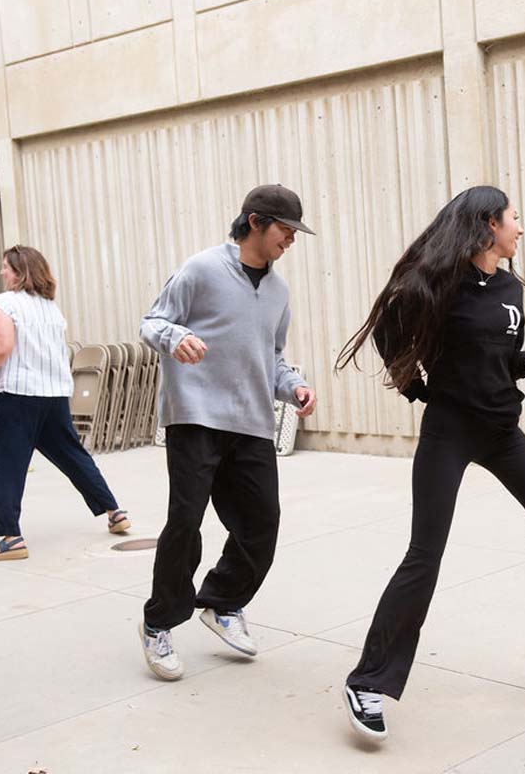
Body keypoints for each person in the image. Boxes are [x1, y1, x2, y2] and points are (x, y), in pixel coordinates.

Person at [334, 185, 525, 742]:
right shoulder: (438, 284)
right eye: (514, 218)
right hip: (450, 432)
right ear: (488, 224)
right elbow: (389, 335)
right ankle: (368, 681)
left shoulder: (511, 288)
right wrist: (420, 392)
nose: (520, 228)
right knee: (424, 556)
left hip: (503, 432)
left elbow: (499, 353)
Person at [137, 184, 317, 681]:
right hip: (195, 416)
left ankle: (222, 603)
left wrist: (295, 387)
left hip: (253, 422)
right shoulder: (201, 269)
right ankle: (159, 624)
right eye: (286, 230)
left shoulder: (279, 292)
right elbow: (152, 322)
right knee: (186, 524)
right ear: (256, 222)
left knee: (262, 524)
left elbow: (273, 358)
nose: (291, 241)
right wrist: (177, 337)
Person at [0, 245, 130, 562]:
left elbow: (1, 348)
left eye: (6, 268)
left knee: (5, 465)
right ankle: (114, 511)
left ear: (20, 271)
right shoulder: (51, 309)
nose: (2, 273)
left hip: (15, 396)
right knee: (73, 456)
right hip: (53, 395)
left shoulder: (3, 303)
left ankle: (10, 537)